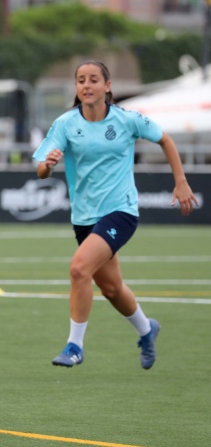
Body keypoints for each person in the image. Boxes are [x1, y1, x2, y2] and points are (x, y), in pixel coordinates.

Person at [32, 60, 198, 369]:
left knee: (79, 269)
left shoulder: (127, 120)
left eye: (93, 79)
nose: (86, 85)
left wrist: (181, 181)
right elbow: (41, 169)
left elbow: (165, 139)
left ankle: (74, 346)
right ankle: (147, 330)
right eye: (81, 80)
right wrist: (48, 164)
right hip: (84, 218)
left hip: (120, 211)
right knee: (111, 288)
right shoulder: (66, 123)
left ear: (107, 86)